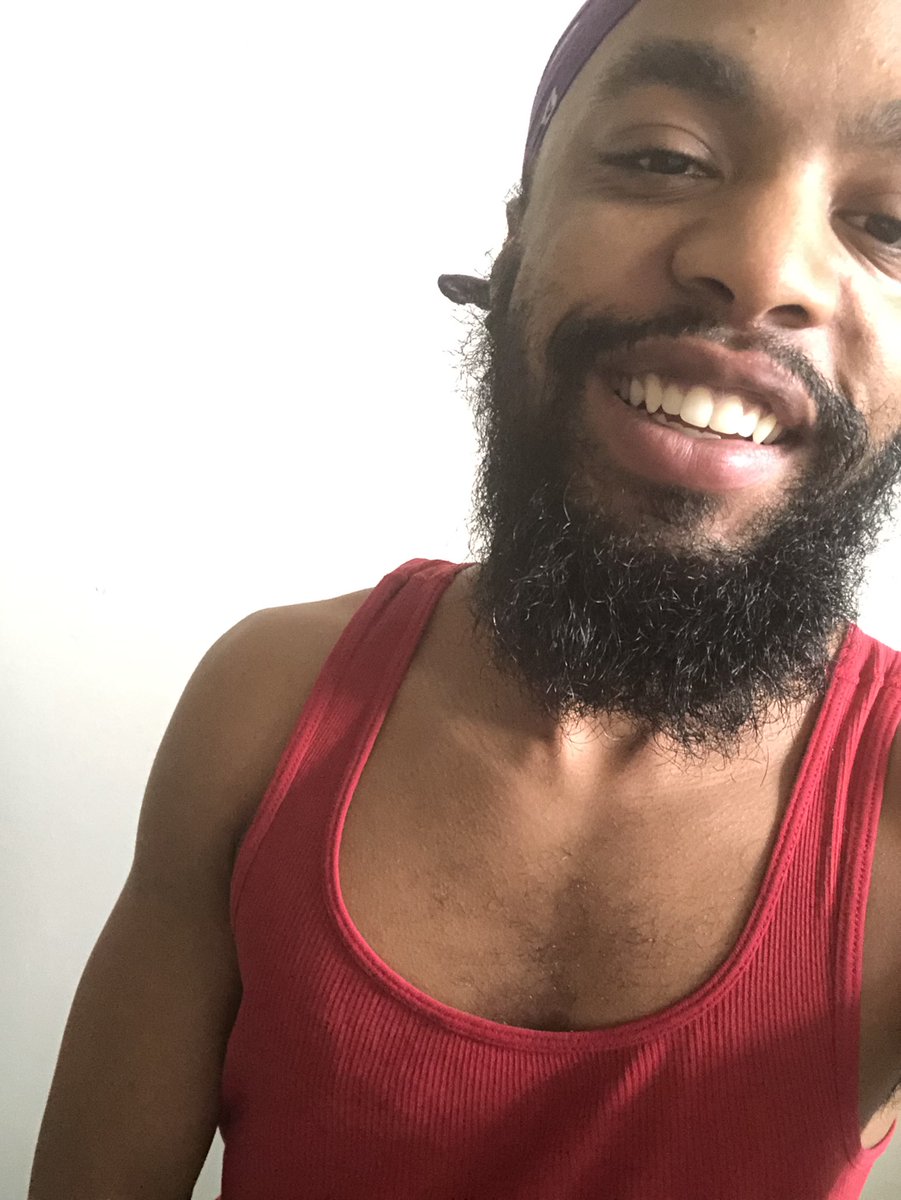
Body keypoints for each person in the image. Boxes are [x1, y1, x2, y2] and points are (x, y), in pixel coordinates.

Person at [29, 0, 901, 1196]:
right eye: (663, 158)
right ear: (517, 233)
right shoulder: (268, 703)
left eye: (890, 223)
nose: (760, 266)